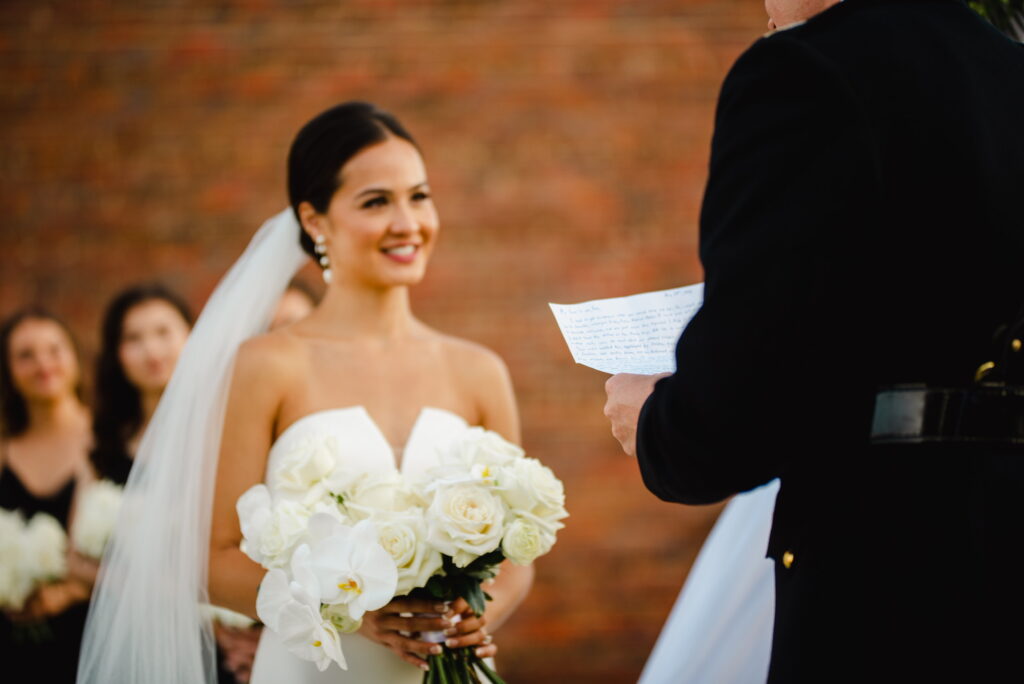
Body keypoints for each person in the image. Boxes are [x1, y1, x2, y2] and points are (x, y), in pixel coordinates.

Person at [604, 0, 1024, 681]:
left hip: (887, 583)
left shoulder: (807, 73)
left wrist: (653, 418)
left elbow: (734, 415)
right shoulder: (1009, 68)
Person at [77, 102, 534, 684]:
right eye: (376, 202)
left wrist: (474, 610)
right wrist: (351, 610)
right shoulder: (267, 365)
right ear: (315, 221)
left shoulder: (480, 371)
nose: (408, 222)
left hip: (453, 666)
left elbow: (519, 557)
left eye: (419, 196)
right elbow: (214, 562)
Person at [0, 309, 93, 682]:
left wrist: (71, 592)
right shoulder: (4, 448)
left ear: (74, 356)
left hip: (89, 636)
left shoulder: (108, 440)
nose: (43, 364)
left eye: (54, 349)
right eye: (25, 355)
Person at [90, 284, 193, 485]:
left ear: (191, 335)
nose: (151, 352)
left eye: (163, 332)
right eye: (133, 338)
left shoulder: (217, 428)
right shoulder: (104, 438)